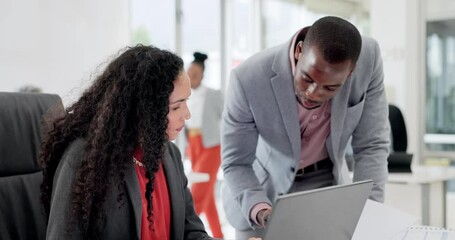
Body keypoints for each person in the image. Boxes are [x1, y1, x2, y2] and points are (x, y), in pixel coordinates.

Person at [221, 16, 391, 239]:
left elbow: (372, 145)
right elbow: (236, 163)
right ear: (299, 51)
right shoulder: (248, 78)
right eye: (307, 78)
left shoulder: (368, 59)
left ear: (350, 73)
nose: (313, 93)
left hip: (327, 189)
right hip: (262, 194)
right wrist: (260, 209)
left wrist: (369, 213)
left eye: (329, 87)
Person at [39, 45, 214, 240]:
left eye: (187, 102)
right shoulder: (84, 159)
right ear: (144, 110)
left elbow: (192, 232)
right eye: (176, 107)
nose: (187, 115)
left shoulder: (170, 155)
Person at [186, 52, 224, 239]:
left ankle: (185, 232)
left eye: (195, 74)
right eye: (189, 72)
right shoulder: (184, 95)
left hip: (211, 147)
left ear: (202, 75)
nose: (191, 77)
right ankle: (218, 236)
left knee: (198, 194)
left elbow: (228, 118)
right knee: (207, 198)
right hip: (193, 147)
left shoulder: (213, 94)